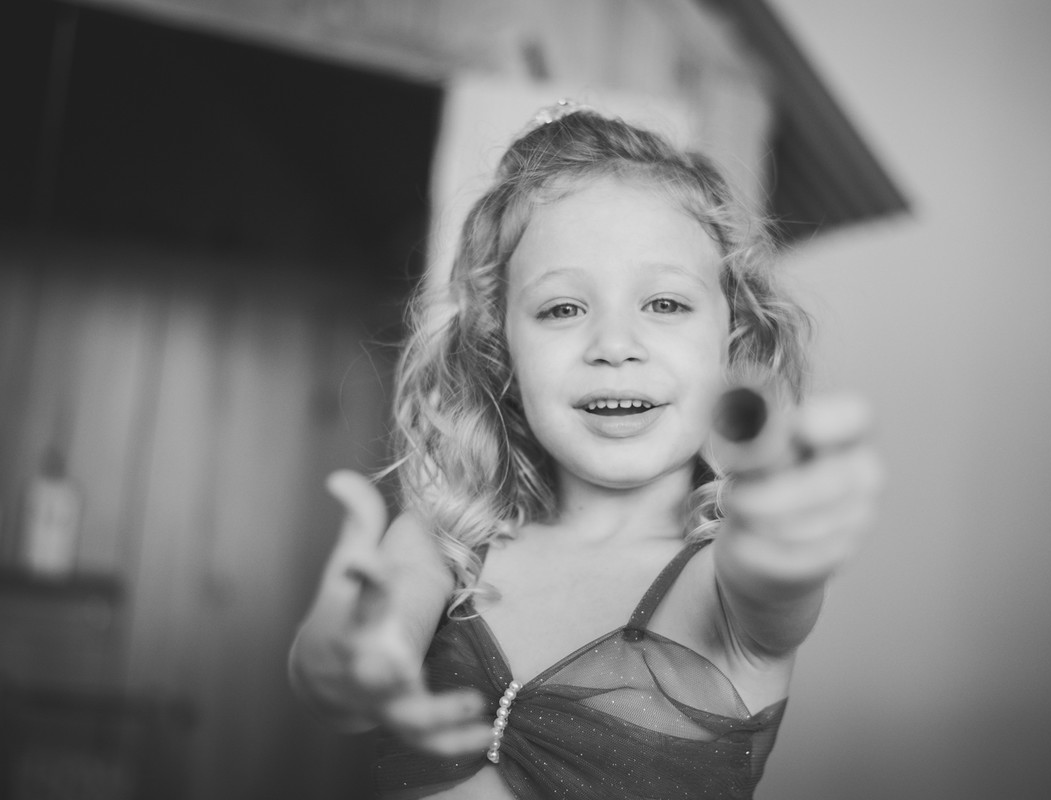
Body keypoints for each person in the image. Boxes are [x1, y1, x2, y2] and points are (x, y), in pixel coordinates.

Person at [289, 102, 883, 799]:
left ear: (734, 337)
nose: (614, 345)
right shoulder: (442, 546)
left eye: (665, 303)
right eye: (562, 308)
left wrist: (783, 542)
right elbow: (347, 671)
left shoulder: (722, 588)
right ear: (501, 348)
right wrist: (344, 660)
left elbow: (770, 580)